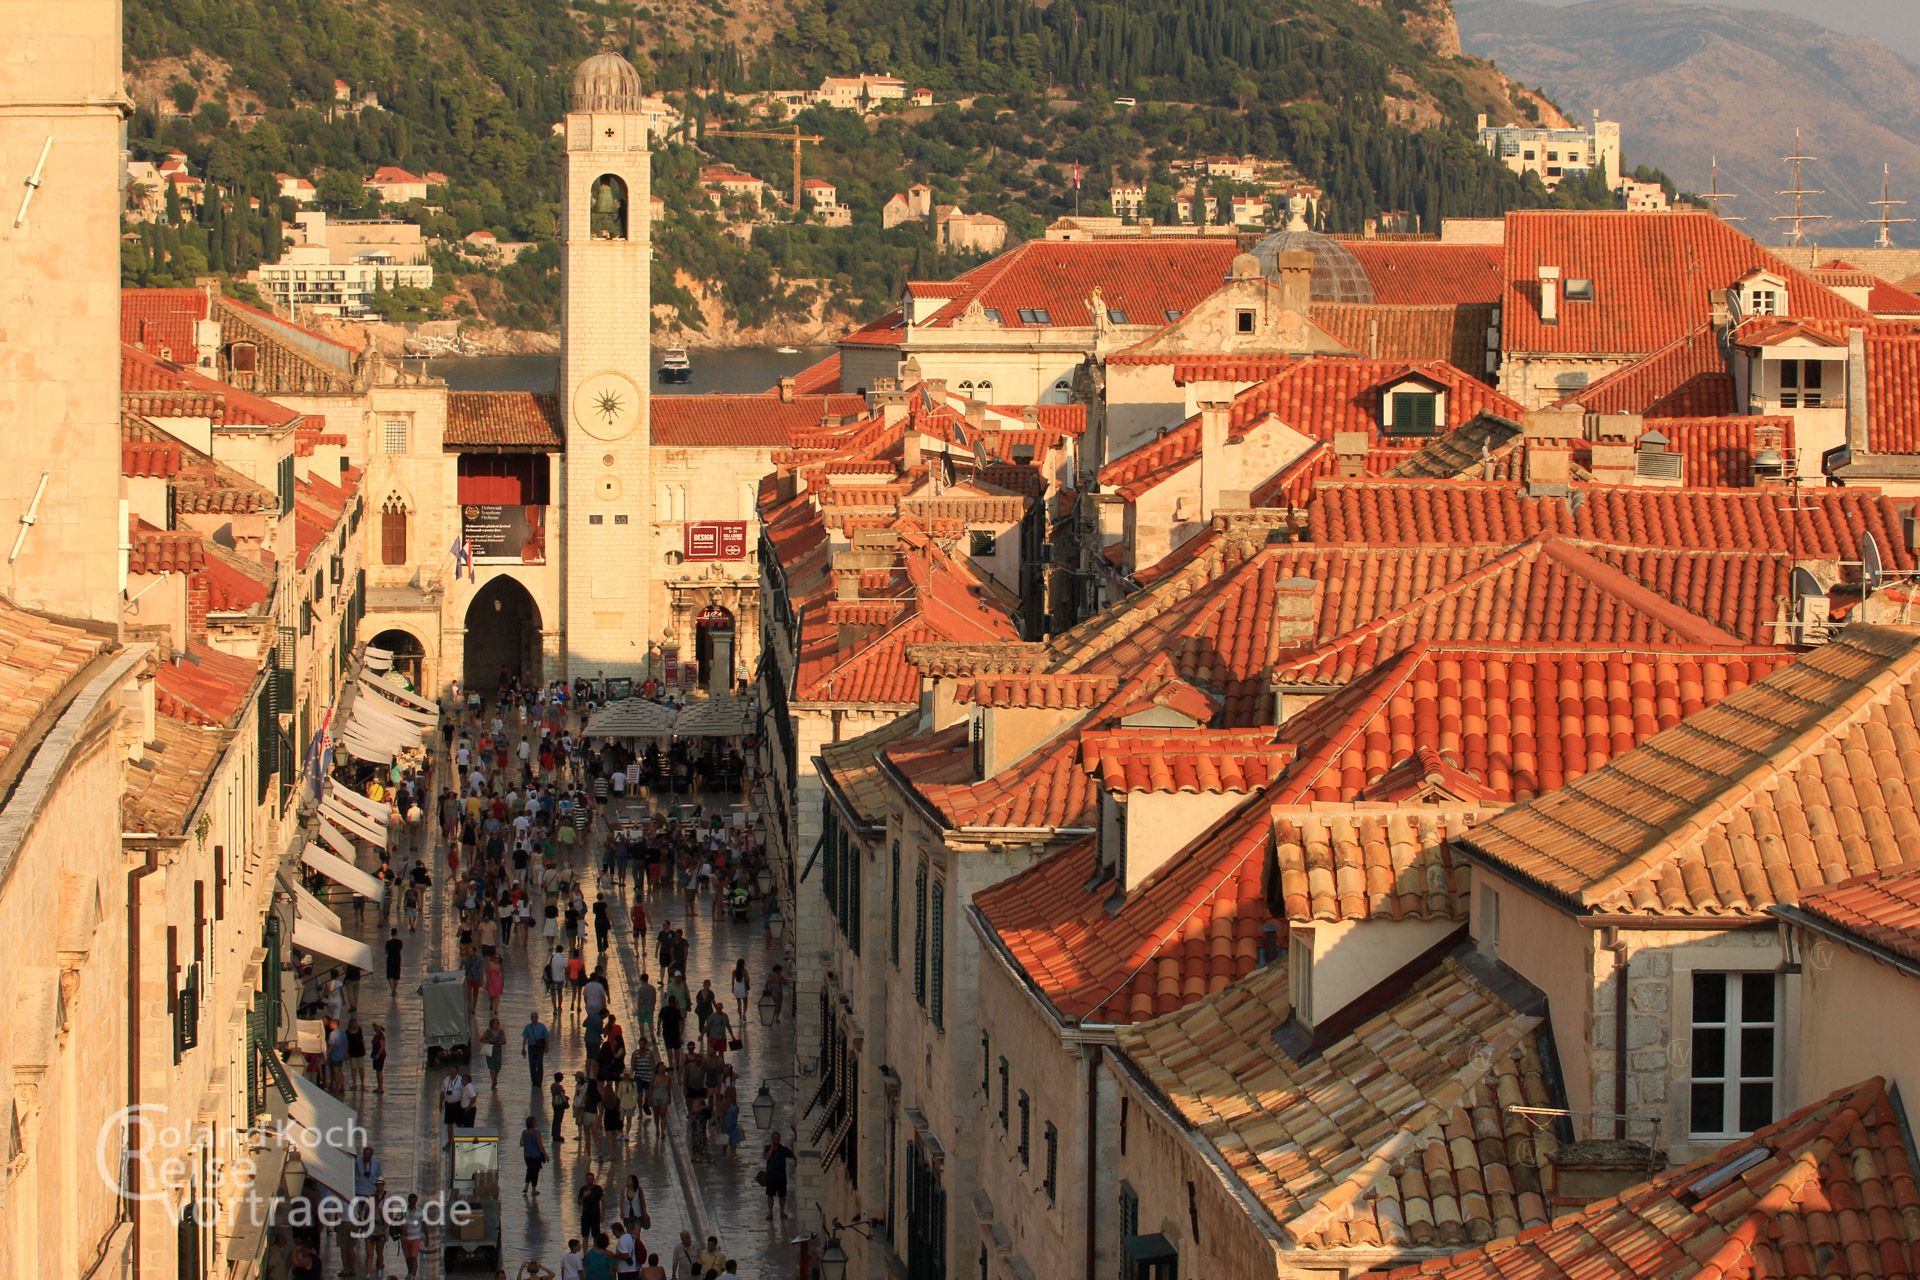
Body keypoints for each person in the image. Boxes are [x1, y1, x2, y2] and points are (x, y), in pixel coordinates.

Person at [761, 1131, 796, 1219]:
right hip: (771, 1176)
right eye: (774, 1138)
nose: (776, 1140)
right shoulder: (768, 1148)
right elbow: (766, 1157)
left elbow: (791, 1155)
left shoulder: (783, 1149)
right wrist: (772, 1148)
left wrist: (793, 1147)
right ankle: (770, 1213)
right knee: (770, 1195)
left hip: (781, 1176)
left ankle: (782, 1212)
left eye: (777, 1139)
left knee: (782, 1195)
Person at [399, 1194, 426, 1276]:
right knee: (408, 1258)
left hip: (415, 1238)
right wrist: (401, 1228)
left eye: (413, 1201)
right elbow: (396, 1222)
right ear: (408, 1200)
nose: (411, 1203)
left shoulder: (420, 1211)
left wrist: (427, 1237)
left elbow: (424, 1224)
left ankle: (413, 1275)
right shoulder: (402, 1211)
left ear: (416, 1201)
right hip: (404, 1238)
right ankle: (410, 1272)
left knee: (413, 1258)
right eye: (410, 1201)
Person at [521, 1116, 548, 1196]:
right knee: (535, 1172)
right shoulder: (537, 1132)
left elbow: (521, 1143)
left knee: (529, 1170)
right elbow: (540, 1145)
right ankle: (533, 1190)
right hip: (535, 1155)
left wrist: (528, 1143)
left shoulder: (524, 1132)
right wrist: (545, 1155)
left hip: (527, 1155)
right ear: (533, 1123)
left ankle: (526, 1187)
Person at [523, 1009, 550, 1086]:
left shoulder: (541, 1026)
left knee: (539, 1063)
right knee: (532, 1064)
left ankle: (539, 1080)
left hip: (540, 1048)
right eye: (532, 1017)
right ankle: (534, 1080)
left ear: (537, 1017)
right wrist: (523, 1047)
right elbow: (525, 1037)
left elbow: (546, 1037)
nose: (534, 1018)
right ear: (530, 1018)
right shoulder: (527, 1027)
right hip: (531, 1047)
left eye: (535, 1016)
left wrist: (547, 1047)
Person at [576, 1169, 605, 1241]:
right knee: (585, 1237)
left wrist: (602, 1215)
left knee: (596, 1237)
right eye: (588, 1179)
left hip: (596, 1216)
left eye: (591, 1179)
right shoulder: (583, 1189)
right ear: (586, 1180)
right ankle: (585, 1252)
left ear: (593, 1179)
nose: (590, 1181)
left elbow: (603, 1201)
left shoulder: (598, 1188)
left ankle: (595, 1251)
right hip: (585, 1216)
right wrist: (584, 1196)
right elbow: (579, 1203)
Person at [481, 1016, 507, 1088]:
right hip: (490, 1049)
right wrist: (489, 1041)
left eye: (497, 1024)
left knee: (498, 1066)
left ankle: (495, 1078)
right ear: (491, 1024)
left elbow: (504, 1041)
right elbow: (481, 1039)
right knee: (492, 1067)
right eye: (494, 1024)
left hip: (498, 1050)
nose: (495, 1025)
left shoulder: (501, 1031)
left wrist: (499, 1042)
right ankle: (493, 1081)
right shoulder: (488, 1031)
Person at [346, 1017, 368, 1090]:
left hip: (360, 1051)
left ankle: (362, 1084)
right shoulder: (347, 1032)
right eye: (354, 1023)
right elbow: (347, 1043)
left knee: (361, 1068)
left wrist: (364, 1048)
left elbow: (362, 1040)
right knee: (353, 1068)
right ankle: (354, 1084)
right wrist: (347, 1052)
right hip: (352, 1052)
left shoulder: (359, 1030)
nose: (356, 1024)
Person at [550, 1072, 571, 1146]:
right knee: (558, 1120)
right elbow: (562, 1096)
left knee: (555, 1120)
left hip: (554, 1104)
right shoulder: (559, 1087)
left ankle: (554, 1134)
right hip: (559, 1105)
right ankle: (557, 1136)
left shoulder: (552, 1086)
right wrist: (566, 1100)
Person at [370, 1021, 388, 1095]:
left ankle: (380, 1087)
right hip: (376, 1055)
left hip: (380, 1056)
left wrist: (378, 1054)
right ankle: (379, 1087)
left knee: (379, 1071)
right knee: (377, 1071)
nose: (373, 1028)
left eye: (374, 1026)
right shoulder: (377, 1035)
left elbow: (382, 1046)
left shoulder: (380, 1036)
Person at [729, 959, 750, 1023]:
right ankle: (744, 1014)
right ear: (743, 964)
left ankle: (740, 1017)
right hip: (743, 988)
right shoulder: (745, 971)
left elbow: (732, 981)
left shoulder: (734, 971)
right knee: (745, 1002)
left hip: (737, 988)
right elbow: (747, 980)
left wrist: (732, 988)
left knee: (739, 1004)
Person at [386, 929, 405, 995]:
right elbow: (400, 949)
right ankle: (395, 989)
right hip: (397, 960)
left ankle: (392, 989)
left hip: (390, 959)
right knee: (396, 975)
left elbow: (386, 952)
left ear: (391, 934)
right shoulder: (399, 942)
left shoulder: (388, 942)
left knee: (390, 975)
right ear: (396, 933)